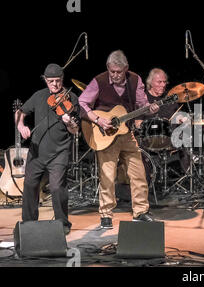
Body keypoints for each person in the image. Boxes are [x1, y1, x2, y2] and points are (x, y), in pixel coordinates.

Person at [78, 50, 159, 229]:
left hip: (127, 134)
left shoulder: (135, 80)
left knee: (138, 174)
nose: (114, 75)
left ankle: (140, 212)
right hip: (105, 135)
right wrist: (98, 119)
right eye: (112, 71)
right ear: (108, 68)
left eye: (118, 72)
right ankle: (106, 215)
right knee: (107, 176)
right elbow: (82, 102)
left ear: (126, 69)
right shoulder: (99, 80)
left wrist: (150, 108)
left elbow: (142, 104)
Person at [15, 63, 79, 235]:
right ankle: (28, 224)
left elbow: (75, 129)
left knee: (57, 187)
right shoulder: (39, 96)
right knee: (29, 184)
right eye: (51, 81)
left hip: (59, 152)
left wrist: (69, 123)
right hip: (37, 151)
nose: (55, 85)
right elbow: (20, 112)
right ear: (45, 80)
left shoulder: (71, 98)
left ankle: (62, 224)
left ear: (62, 79)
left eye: (58, 81)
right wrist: (21, 126)